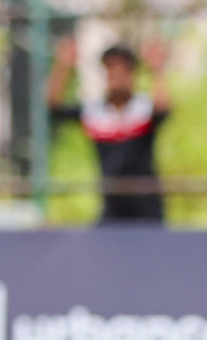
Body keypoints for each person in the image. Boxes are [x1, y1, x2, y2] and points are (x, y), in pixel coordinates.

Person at [46, 37, 171, 223]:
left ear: (132, 74)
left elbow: (163, 108)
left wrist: (156, 69)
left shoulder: (143, 109)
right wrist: (63, 66)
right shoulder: (94, 112)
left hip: (148, 205)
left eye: (123, 69)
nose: (117, 74)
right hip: (112, 203)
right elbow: (53, 106)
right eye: (111, 68)